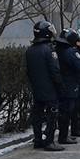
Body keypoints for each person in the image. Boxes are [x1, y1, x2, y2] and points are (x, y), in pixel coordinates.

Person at [25, 20, 61, 150]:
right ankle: (49, 141)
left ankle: (38, 139)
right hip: (50, 89)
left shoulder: (30, 50)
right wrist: (59, 85)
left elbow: (28, 71)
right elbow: (55, 70)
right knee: (52, 114)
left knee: (37, 115)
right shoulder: (49, 50)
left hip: (37, 88)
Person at [55, 29, 80, 146]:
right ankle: (63, 136)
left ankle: (62, 135)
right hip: (70, 85)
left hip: (60, 85)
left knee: (61, 111)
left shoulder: (57, 50)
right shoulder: (70, 52)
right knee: (67, 111)